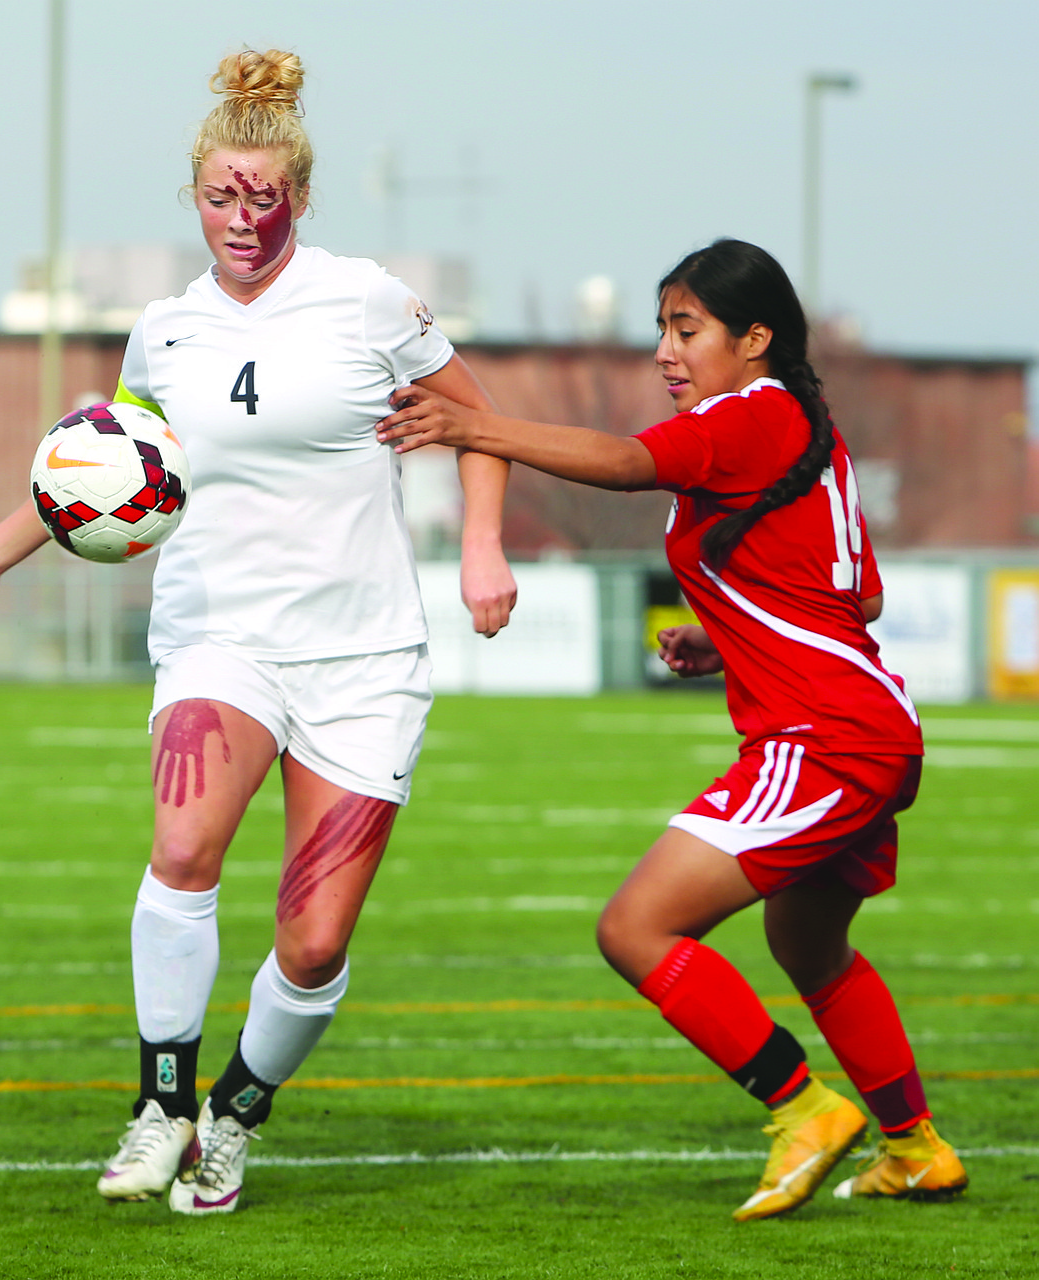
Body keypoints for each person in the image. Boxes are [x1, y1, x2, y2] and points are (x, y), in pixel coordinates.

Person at [0, 48, 516, 1216]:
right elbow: (103, 474)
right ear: (192, 194)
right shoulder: (163, 332)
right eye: (219, 195)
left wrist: (483, 546)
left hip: (361, 656)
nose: (242, 218)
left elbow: (480, 422)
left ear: (298, 192)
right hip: (217, 637)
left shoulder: (367, 300)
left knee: (311, 941)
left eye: (264, 195)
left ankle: (234, 1115)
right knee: (185, 849)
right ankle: (160, 1104)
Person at [376, 238, 968, 1221]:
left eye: (686, 329)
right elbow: (853, 593)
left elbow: (621, 461)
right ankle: (916, 1145)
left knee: (636, 926)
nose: (665, 350)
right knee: (809, 944)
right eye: (662, 328)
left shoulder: (751, 414)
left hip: (819, 737)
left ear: (755, 338)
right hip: (865, 725)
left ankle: (803, 1107)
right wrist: (725, 635)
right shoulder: (804, 432)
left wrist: (474, 422)